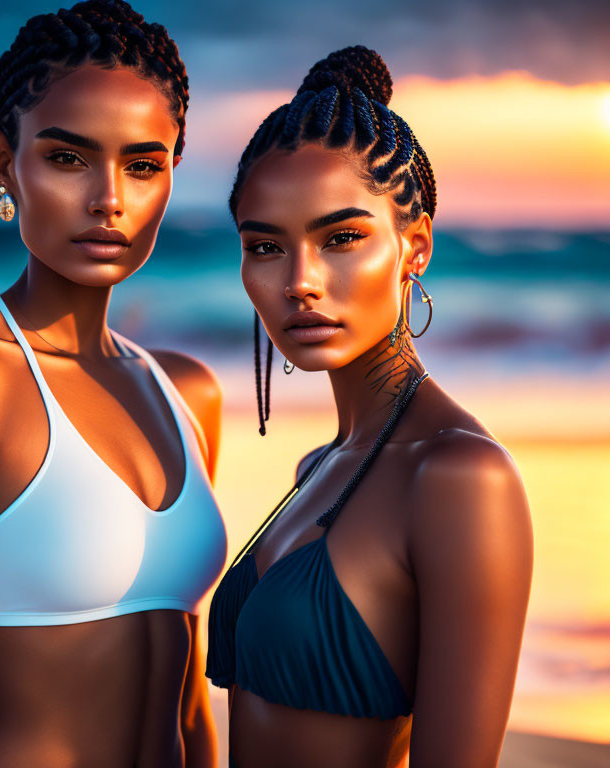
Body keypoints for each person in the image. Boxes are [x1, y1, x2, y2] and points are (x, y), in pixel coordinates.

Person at [0, 2, 227, 766]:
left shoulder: (187, 393)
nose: (109, 200)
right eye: (68, 159)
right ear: (6, 165)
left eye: (142, 164)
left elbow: (190, 703)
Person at [206, 46, 533, 768]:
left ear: (413, 245)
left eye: (341, 238)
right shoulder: (320, 464)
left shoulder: (460, 479)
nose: (301, 282)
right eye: (265, 246)